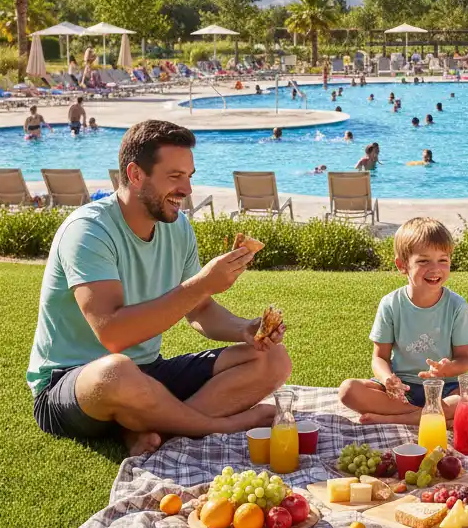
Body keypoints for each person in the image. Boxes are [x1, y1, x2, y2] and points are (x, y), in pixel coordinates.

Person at [27, 120, 291, 455]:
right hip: (74, 383)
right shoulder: (88, 231)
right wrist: (202, 283)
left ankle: (150, 428)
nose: (187, 189)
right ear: (136, 174)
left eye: (189, 176)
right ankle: (218, 425)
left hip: (147, 372)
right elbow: (114, 335)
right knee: (117, 371)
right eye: (175, 176)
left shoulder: (177, 227)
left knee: (272, 359)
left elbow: (200, 309)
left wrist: (244, 329)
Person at [337, 218, 468, 425]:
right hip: (401, 390)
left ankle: (404, 418)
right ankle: (432, 416)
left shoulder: (457, 305)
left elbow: (465, 360)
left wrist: (447, 370)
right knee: (348, 390)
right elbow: (379, 358)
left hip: (444, 389)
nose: (435, 268)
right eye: (423, 261)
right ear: (402, 265)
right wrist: (388, 379)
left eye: (443, 260)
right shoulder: (390, 304)